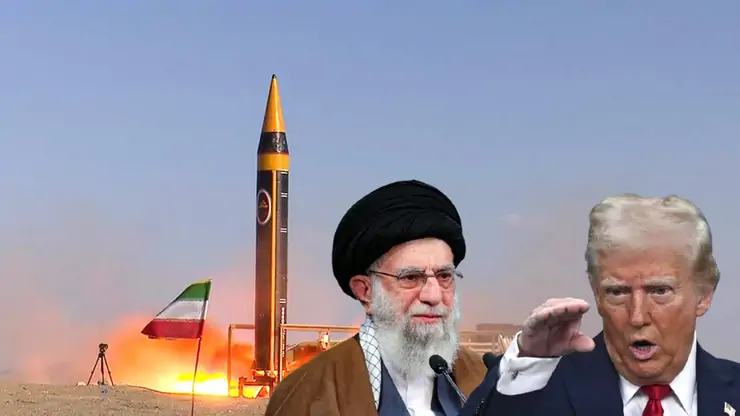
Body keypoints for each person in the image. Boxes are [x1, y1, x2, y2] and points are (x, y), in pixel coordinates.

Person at [462, 194, 740, 416]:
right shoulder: (538, 387)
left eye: (659, 291)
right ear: (596, 294)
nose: (637, 316)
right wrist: (528, 363)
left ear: (704, 295)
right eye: (617, 292)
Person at [265, 180, 487, 416]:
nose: (433, 296)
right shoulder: (308, 395)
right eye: (411, 277)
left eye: (444, 276)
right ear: (366, 291)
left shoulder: (485, 378)